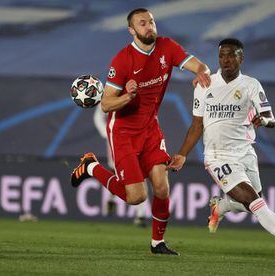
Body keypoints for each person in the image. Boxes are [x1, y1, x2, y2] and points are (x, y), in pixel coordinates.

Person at [71, 8, 211, 255]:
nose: (149, 27)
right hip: (123, 132)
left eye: (152, 22)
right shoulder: (122, 59)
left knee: (162, 187)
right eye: (142, 24)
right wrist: (128, 96)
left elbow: (198, 65)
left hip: (150, 129)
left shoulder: (167, 47)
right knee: (136, 197)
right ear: (132, 31)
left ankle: (157, 243)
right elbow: (106, 104)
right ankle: (91, 166)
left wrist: (202, 73)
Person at [168, 38, 275, 262]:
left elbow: (270, 117)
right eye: (222, 55)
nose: (226, 59)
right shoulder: (204, 84)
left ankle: (223, 205)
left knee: (254, 202)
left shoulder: (251, 85)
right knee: (256, 204)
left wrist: (262, 121)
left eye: (231, 55)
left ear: (241, 58)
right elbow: (196, 125)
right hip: (218, 156)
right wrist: (182, 154)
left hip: (245, 152)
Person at [93, 104, 147, 227]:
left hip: (137, 138)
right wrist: (106, 133)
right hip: (117, 139)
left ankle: (140, 215)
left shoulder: (138, 92)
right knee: (119, 175)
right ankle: (111, 200)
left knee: (139, 175)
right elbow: (98, 116)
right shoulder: (112, 92)